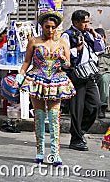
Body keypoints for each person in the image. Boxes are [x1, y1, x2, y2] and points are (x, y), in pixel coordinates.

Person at [18, 10, 76, 166]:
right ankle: (40, 151)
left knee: (54, 117)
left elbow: (68, 65)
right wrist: (20, 74)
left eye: (53, 27)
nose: (50, 30)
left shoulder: (63, 43)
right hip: (37, 80)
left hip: (56, 80)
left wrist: (64, 60)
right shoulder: (33, 41)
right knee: (39, 116)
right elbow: (27, 61)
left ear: (57, 27)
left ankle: (55, 153)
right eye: (47, 27)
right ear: (41, 26)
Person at [61, 10, 105, 151]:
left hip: (89, 75)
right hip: (76, 76)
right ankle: (76, 139)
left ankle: (80, 132)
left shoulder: (87, 34)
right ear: (76, 22)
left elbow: (100, 48)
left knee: (95, 104)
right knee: (77, 109)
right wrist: (77, 49)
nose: (87, 25)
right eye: (84, 22)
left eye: (87, 22)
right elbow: (63, 57)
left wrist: (94, 34)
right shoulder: (66, 36)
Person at [94, 28, 110, 118]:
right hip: (92, 74)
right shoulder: (90, 48)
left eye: (100, 38)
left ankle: (102, 107)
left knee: (104, 79)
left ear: (104, 38)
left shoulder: (108, 50)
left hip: (106, 73)